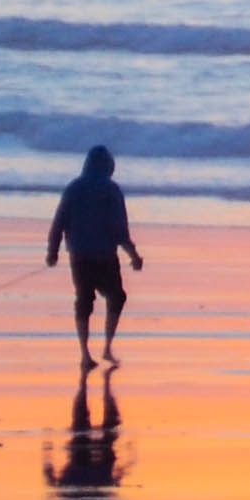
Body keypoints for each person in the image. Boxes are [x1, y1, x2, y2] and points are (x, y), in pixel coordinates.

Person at [45, 144, 146, 368]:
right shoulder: (111, 190)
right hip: (104, 256)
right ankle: (107, 347)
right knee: (116, 297)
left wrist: (53, 251)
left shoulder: (74, 188)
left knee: (84, 301)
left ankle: (84, 353)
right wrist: (133, 254)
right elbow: (119, 229)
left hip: (79, 256)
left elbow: (59, 222)